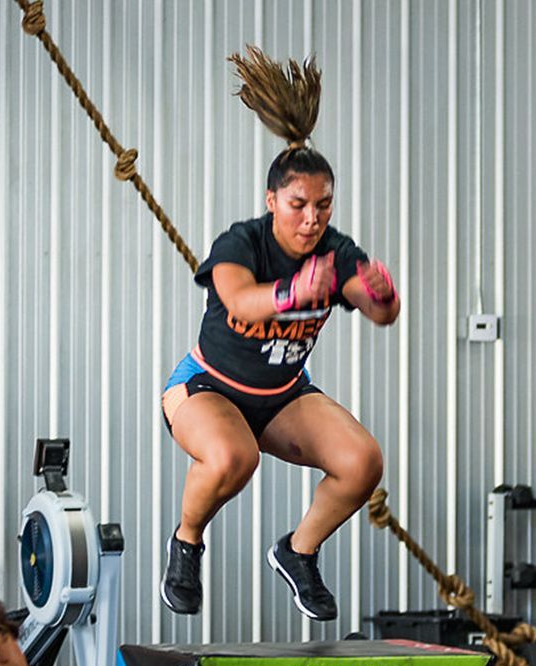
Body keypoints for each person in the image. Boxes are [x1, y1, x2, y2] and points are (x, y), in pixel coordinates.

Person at [159, 46, 400, 622]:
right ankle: (187, 542)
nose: (311, 218)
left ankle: (298, 552)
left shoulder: (336, 251)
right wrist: (294, 292)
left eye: (323, 205)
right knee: (233, 459)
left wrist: (381, 295)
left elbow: (379, 312)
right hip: (206, 389)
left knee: (363, 461)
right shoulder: (241, 243)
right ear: (273, 202)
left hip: (282, 394)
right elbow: (239, 298)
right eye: (298, 205)